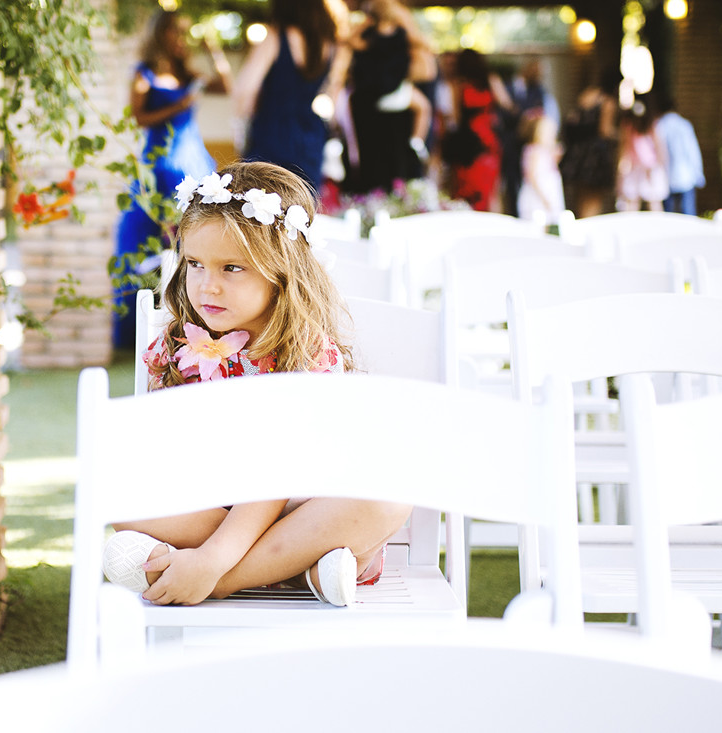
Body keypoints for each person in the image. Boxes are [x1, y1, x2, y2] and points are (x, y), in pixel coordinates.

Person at [102, 161, 413, 607]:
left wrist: (212, 562)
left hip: (299, 506)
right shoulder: (175, 347)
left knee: (387, 497)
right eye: (195, 264)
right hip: (215, 502)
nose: (208, 286)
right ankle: (301, 574)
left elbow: (282, 474)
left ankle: (215, 578)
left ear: (281, 271)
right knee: (120, 493)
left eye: (232, 268)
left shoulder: (305, 353)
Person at [112, 10, 233, 349]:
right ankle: (134, 330)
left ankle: (196, 324)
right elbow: (139, 117)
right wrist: (179, 105)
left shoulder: (187, 71)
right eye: (174, 33)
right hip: (159, 164)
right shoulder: (144, 73)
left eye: (183, 33)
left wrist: (213, 49)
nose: (180, 39)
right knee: (144, 240)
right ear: (160, 34)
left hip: (193, 163)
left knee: (195, 241)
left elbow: (226, 86)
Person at [233, 0, 348, 193]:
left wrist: (242, 123)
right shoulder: (329, 43)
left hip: (271, 132)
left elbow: (244, 90)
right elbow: (331, 94)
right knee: (302, 209)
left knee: (262, 207)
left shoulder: (276, 36)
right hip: (311, 136)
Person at [340, 0, 432, 193]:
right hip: (395, 91)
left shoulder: (370, 37)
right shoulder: (401, 34)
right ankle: (417, 141)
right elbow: (423, 45)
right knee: (423, 107)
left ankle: (415, 143)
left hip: (375, 95)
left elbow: (351, 41)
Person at [444, 48, 504, 212]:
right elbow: (507, 105)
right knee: (490, 191)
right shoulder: (490, 80)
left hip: (467, 143)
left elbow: (455, 118)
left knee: (466, 190)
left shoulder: (459, 85)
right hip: (487, 139)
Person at [501, 58, 560, 216]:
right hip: (511, 146)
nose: (539, 76)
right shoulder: (506, 87)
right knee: (513, 187)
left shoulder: (539, 91)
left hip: (531, 144)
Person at [559, 67, 619, 218]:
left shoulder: (588, 94)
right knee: (593, 201)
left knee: (580, 199)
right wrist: (621, 136)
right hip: (595, 157)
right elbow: (605, 131)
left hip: (578, 154)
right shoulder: (608, 102)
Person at [653, 93, 705, 216]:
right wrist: (698, 174)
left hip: (666, 177)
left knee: (669, 218)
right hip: (686, 176)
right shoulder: (684, 125)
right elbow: (692, 151)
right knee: (689, 215)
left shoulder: (659, 126)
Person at [616, 99, 669, 212]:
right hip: (635, 168)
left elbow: (659, 148)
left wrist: (657, 166)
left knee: (653, 200)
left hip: (650, 167)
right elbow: (624, 148)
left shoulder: (652, 126)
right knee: (632, 200)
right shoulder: (629, 127)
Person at [516, 111, 565, 226]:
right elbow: (532, 176)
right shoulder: (534, 152)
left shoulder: (546, 152)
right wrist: (544, 198)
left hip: (549, 191)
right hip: (538, 195)